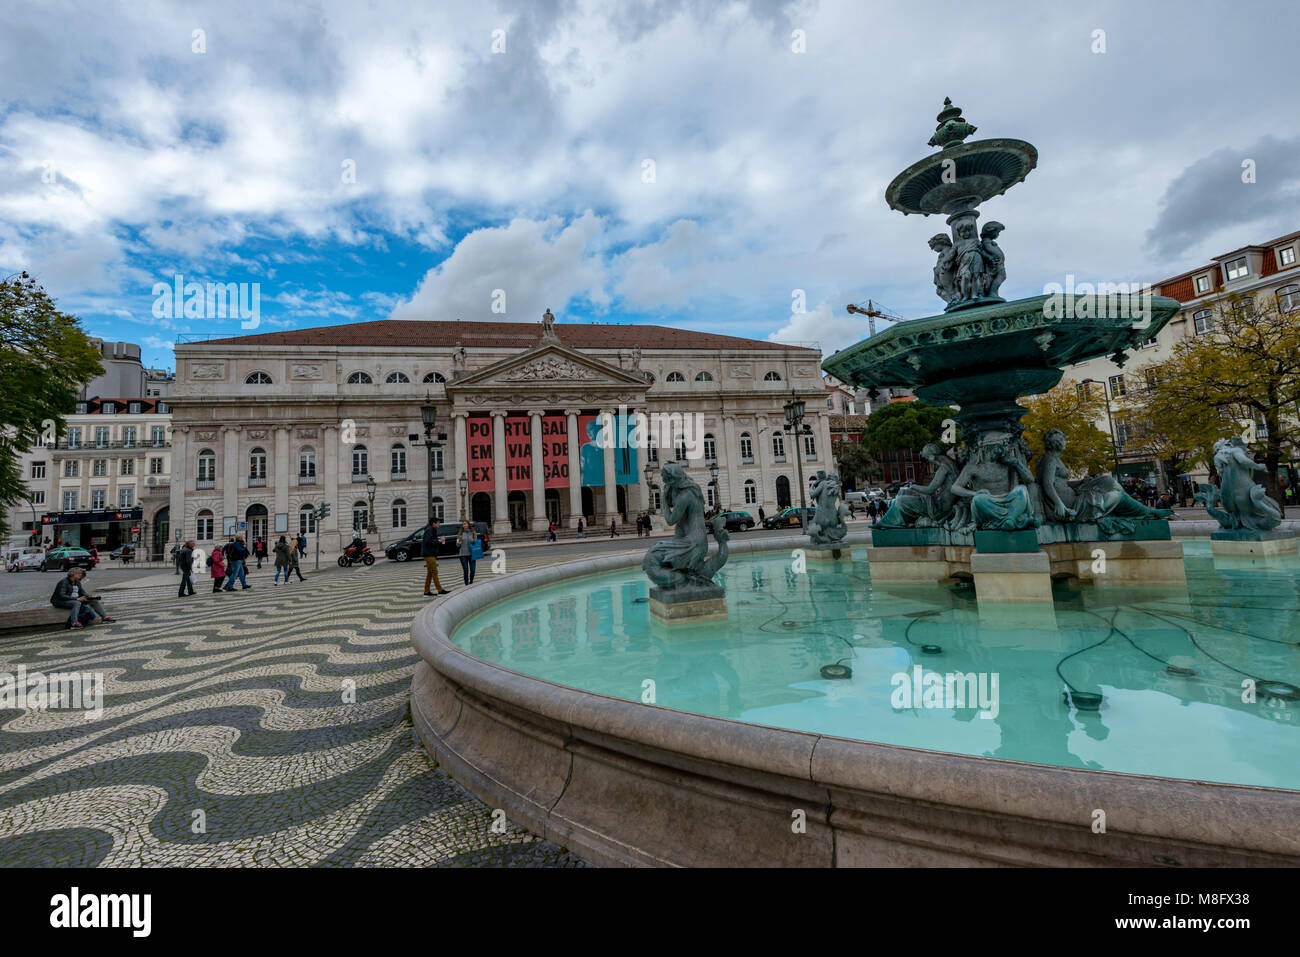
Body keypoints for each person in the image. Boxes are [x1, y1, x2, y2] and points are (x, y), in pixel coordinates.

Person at [51, 567, 115, 629]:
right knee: (77, 603)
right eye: (78, 573)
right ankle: (74, 623)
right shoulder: (64, 582)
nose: (80, 575)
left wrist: (89, 597)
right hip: (60, 601)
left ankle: (105, 618)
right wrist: (77, 599)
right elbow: (61, 595)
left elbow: (82, 592)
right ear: (72, 574)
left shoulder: (77, 582)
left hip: (74, 599)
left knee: (94, 601)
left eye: (81, 573)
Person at [418, 519, 448, 597]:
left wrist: (437, 541)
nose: (439, 524)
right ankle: (440, 590)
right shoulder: (430, 530)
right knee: (434, 572)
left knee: (430, 573)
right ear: (433, 523)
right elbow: (428, 542)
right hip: (429, 554)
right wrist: (439, 541)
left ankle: (426, 592)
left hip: (429, 553)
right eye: (438, 523)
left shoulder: (431, 529)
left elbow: (430, 541)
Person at [456, 520, 479, 586]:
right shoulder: (460, 534)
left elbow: (476, 542)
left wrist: (473, 541)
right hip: (463, 554)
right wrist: (459, 541)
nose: (464, 525)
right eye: (463, 524)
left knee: (473, 570)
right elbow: (457, 545)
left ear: (468, 525)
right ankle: (466, 584)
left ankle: (471, 581)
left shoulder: (473, 533)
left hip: (472, 554)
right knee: (466, 570)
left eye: (465, 524)